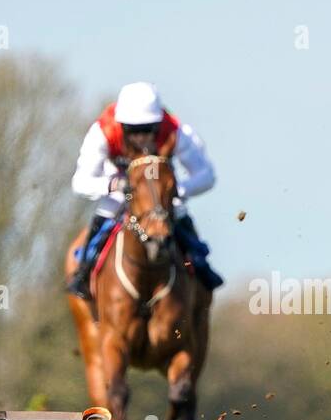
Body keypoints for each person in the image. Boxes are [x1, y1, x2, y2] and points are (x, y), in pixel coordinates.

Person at [67, 82, 222, 299]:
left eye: (148, 130)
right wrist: (113, 185)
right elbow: (80, 181)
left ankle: (200, 267)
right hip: (120, 187)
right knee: (106, 213)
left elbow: (206, 175)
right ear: (122, 125)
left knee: (179, 216)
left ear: (158, 123)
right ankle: (84, 271)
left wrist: (177, 190)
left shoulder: (176, 132)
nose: (141, 138)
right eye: (133, 131)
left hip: (160, 193)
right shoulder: (103, 131)